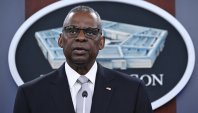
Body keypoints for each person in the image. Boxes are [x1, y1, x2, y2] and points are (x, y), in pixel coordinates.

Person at [14, 5, 153, 113]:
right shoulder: (30, 94)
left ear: (101, 42)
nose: (81, 37)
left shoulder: (133, 91)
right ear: (61, 40)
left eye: (90, 32)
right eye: (72, 30)